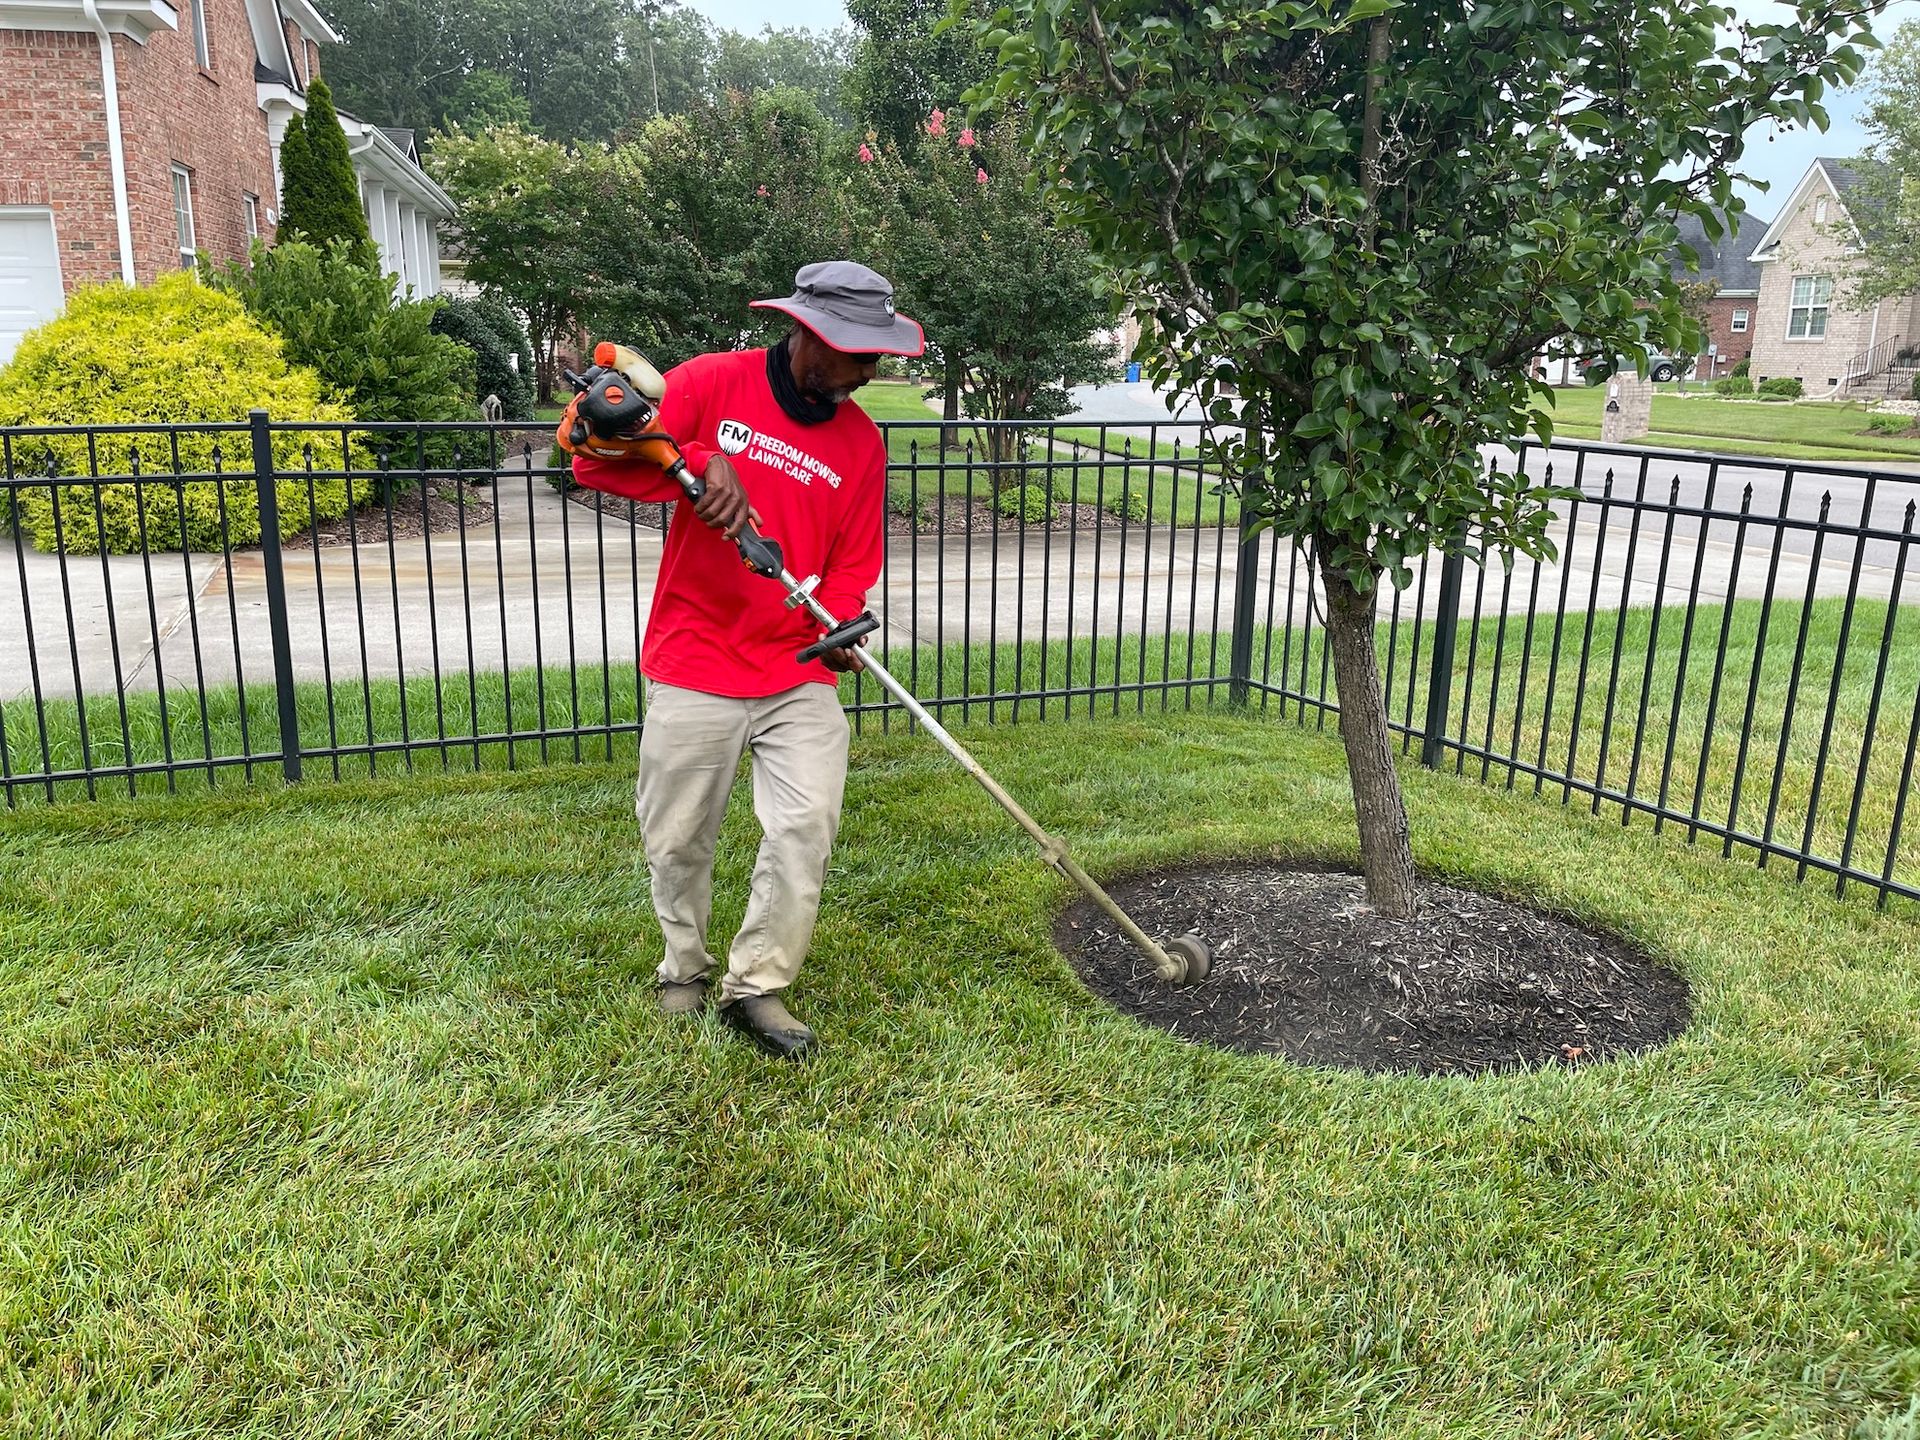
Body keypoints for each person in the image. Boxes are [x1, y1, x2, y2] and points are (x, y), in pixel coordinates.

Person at [570, 261, 924, 1061]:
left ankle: (757, 985)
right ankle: (684, 971)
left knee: (805, 824)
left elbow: (851, 562)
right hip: (695, 655)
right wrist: (694, 455)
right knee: (678, 836)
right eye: (854, 353)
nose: (867, 373)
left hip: (795, 665)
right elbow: (590, 458)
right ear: (805, 332)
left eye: (877, 356)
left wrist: (838, 619)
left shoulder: (862, 443)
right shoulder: (710, 384)